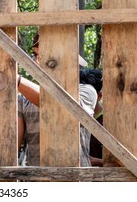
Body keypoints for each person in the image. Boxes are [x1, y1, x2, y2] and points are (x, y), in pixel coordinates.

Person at [17, 32, 102, 167]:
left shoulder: (87, 91)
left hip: (76, 183)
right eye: (39, 56)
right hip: (39, 182)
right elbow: (12, 146)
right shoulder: (22, 101)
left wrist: (15, 80)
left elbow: (63, 107)